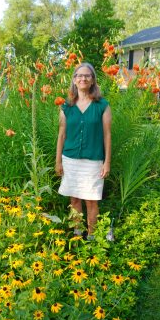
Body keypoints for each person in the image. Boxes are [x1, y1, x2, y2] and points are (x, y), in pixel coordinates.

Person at [55, 62, 112, 239]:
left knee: (91, 200)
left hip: (93, 161)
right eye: (79, 75)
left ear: (93, 80)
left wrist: (107, 162)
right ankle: (78, 233)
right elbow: (62, 135)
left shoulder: (102, 105)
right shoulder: (66, 106)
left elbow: (107, 135)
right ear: (74, 80)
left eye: (87, 75)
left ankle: (92, 237)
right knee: (74, 200)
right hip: (70, 160)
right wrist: (58, 161)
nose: (83, 78)